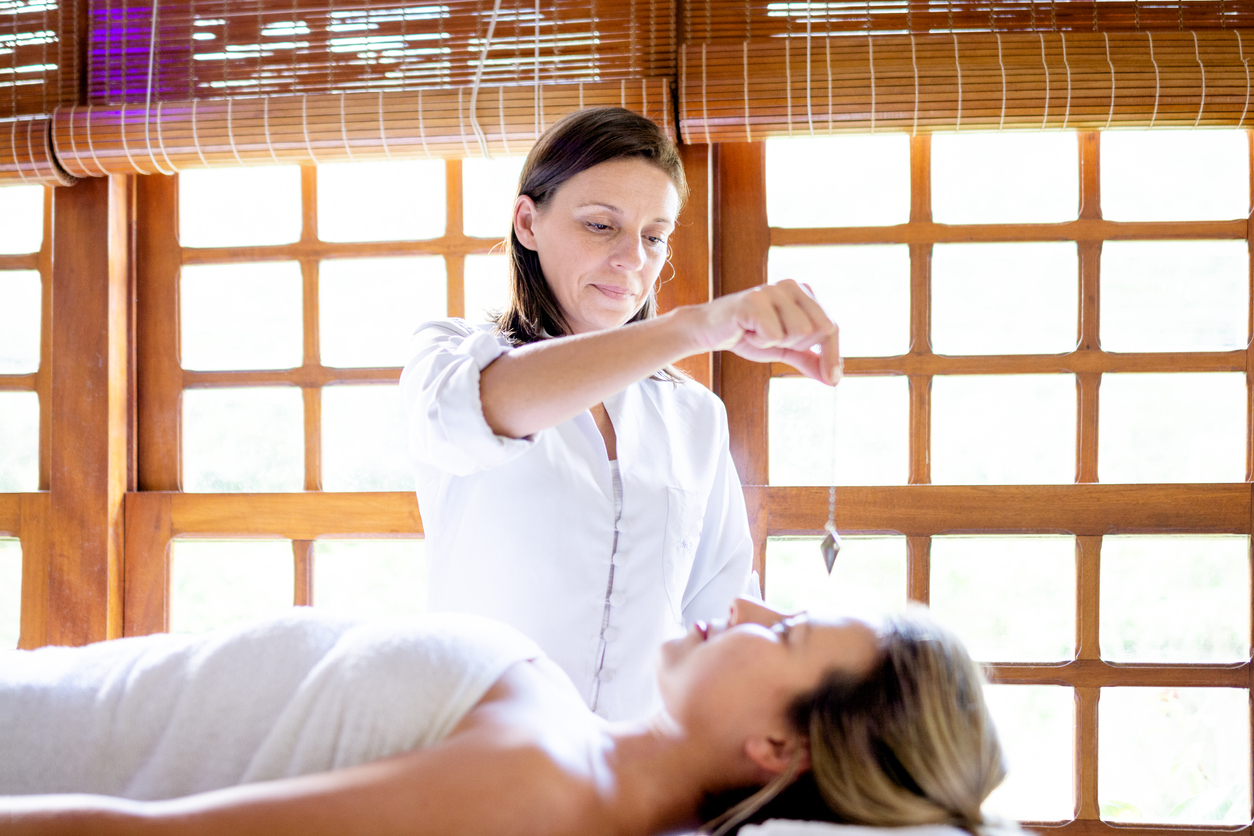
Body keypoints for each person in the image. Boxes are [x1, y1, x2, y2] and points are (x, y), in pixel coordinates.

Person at [401, 107, 842, 720]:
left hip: (634, 777)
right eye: (601, 226)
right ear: (528, 222)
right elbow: (482, 409)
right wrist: (694, 326)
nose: (633, 259)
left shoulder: (694, 417)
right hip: (476, 761)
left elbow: (718, 604)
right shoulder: (452, 356)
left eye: (654, 235)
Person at [1, 599, 1013, 836]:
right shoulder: (571, 746)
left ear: (780, 746)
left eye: (785, 628)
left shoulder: (544, 788)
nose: (744, 605)